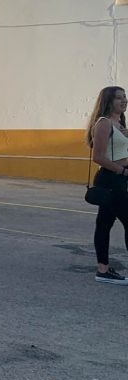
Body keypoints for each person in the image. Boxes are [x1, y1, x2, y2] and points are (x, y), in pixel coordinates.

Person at [87, 85, 128, 285]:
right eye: (119, 98)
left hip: (120, 179)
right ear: (108, 102)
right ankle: (102, 270)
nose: (124, 100)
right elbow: (98, 157)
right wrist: (121, 170)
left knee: (104, 223)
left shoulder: (119, 122)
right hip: (111, 180)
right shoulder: (103, 123)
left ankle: (102, 270)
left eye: (125, 97)